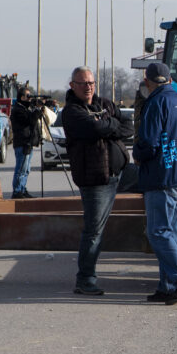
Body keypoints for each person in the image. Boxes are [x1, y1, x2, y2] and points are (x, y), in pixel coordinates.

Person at [133, 62, 177, 305]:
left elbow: (149, 143)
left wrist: (137, 155)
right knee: (172, 234)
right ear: (169, 78)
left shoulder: (155, 103)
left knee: (157, 232)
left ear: (148, 82)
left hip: (162, 176)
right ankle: (168, 285)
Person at [62, 66, 134, 296]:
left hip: (121, 173)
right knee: (94, 231)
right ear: (73, 85)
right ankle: (85, 280)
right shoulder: (72, 111)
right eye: (83, 83)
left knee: (157, 184)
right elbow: (94, 127)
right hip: (96, 180)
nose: (88, 87)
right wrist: (110, 125)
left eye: (91, 82)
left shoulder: (105, 104)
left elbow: (128, 126)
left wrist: (107, 126)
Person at [8, 87, 53, 199]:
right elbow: (30, 121)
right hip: (22, 142)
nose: (29, 99)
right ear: (22, 97)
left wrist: (39, 107)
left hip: (28, 142)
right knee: (21, 169)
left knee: (26, 169)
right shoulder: (18, 110)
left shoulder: (26, 108)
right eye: (28, 96)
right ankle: (17, 191)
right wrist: (37, 110)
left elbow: (33, 120)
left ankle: (22, 189)